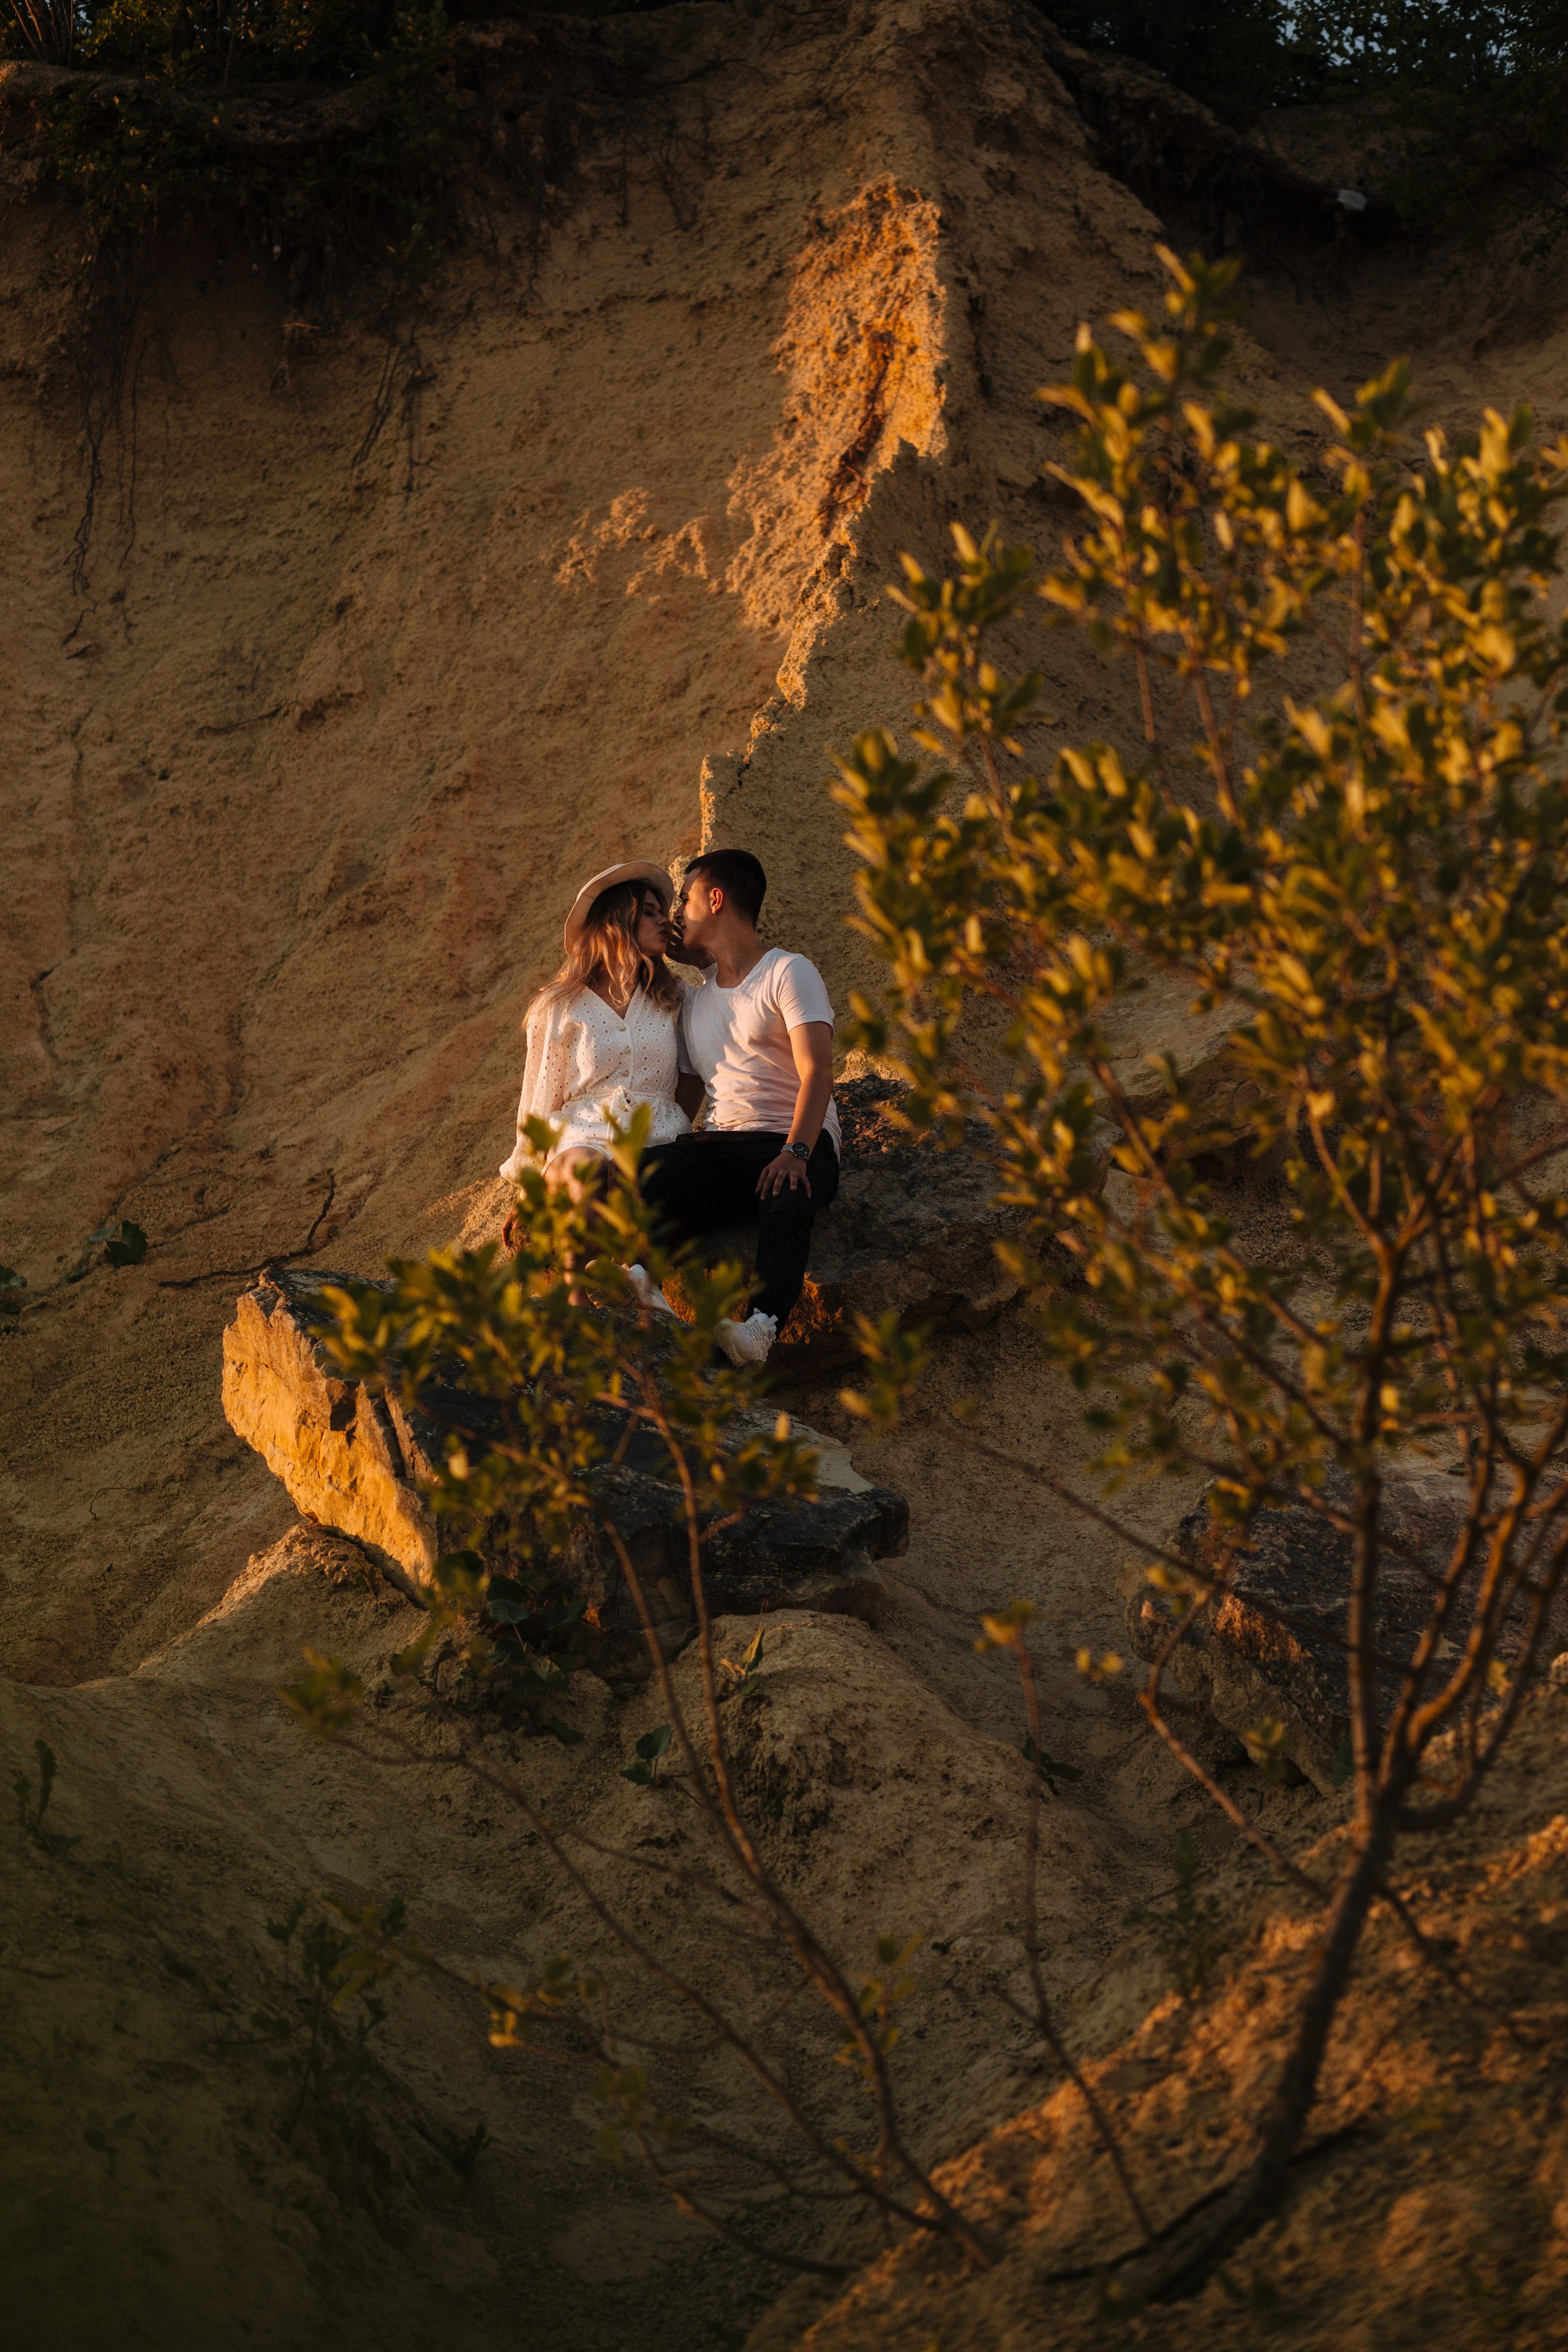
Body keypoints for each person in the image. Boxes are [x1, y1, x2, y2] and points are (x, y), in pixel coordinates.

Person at [646, 846, 839, 1366]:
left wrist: (797, 1151)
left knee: (786, 1198)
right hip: (725, 1145)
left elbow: (817, 1070)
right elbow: (688, 1097)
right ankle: (644, 1283)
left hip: (791, 1136)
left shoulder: (788, 972)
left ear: (715, 899)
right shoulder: (696, 1001)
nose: (675, 915)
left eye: (684, 900)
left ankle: (761, 1326)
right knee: (644, 1171)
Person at [500, 863, 701, 1219]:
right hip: (580, 1137)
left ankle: (633, 1275)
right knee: (588, 1172)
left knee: (637, 1181)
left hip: (658, 1137)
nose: (664, 923)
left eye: (663, 913)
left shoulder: (676, 998)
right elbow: (540, 1098)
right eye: (649, 913)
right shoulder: (560, 1006)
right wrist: (528, 1187)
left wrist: (700, 958)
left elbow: (693, 1076)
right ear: (617, 922)